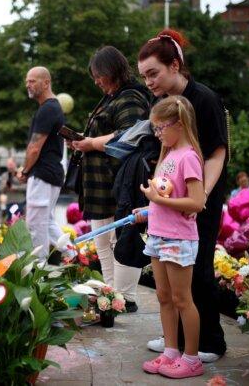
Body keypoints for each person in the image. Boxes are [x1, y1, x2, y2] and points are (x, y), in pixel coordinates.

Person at [138, 29, 228, 362]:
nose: (148, 81)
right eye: (144, 75)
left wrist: (200, 195)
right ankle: (173, 339)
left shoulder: (204, 98)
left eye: (153, 73)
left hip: (199, 195)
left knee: (198, 267)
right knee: (167, 274)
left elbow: (217, 152)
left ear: (175, 65)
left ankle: (210, 342)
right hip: (169, 199)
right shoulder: (159, 103)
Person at [71, 46, 151, 311]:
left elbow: (132, 134)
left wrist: (91, 143)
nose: (96, 81)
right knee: (102, 243)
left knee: (121, 239)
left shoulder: (130, 97)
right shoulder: (111, 97)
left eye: (98, 75)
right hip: (98, 184)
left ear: (111, 70)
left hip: (117, 182)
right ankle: (110, 296)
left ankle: (125, 298)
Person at [134, 96, 206, 379]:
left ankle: (191, 359)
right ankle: (171, 352)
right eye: (156, 129)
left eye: (161, 128)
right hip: (159, 235)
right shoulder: (169, 155)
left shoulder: (188, 157)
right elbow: (168, 197)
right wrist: (149, 206)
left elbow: (197, 202)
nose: (158, 134)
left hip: (178, 239)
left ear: (179, 123)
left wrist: (158, 202)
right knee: (164, 297)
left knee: (181, 298)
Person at [16, 66, 67, 262]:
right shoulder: (52, 108)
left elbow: (34, 147)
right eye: (27, 80)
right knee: (47, 223)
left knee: (36, 225)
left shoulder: (48, 109)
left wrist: (25, 170)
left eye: (32, 80)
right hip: (51, 174)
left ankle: (39, 271)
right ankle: (73, 255)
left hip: (43, 174)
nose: (27, 84)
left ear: (46, 83)